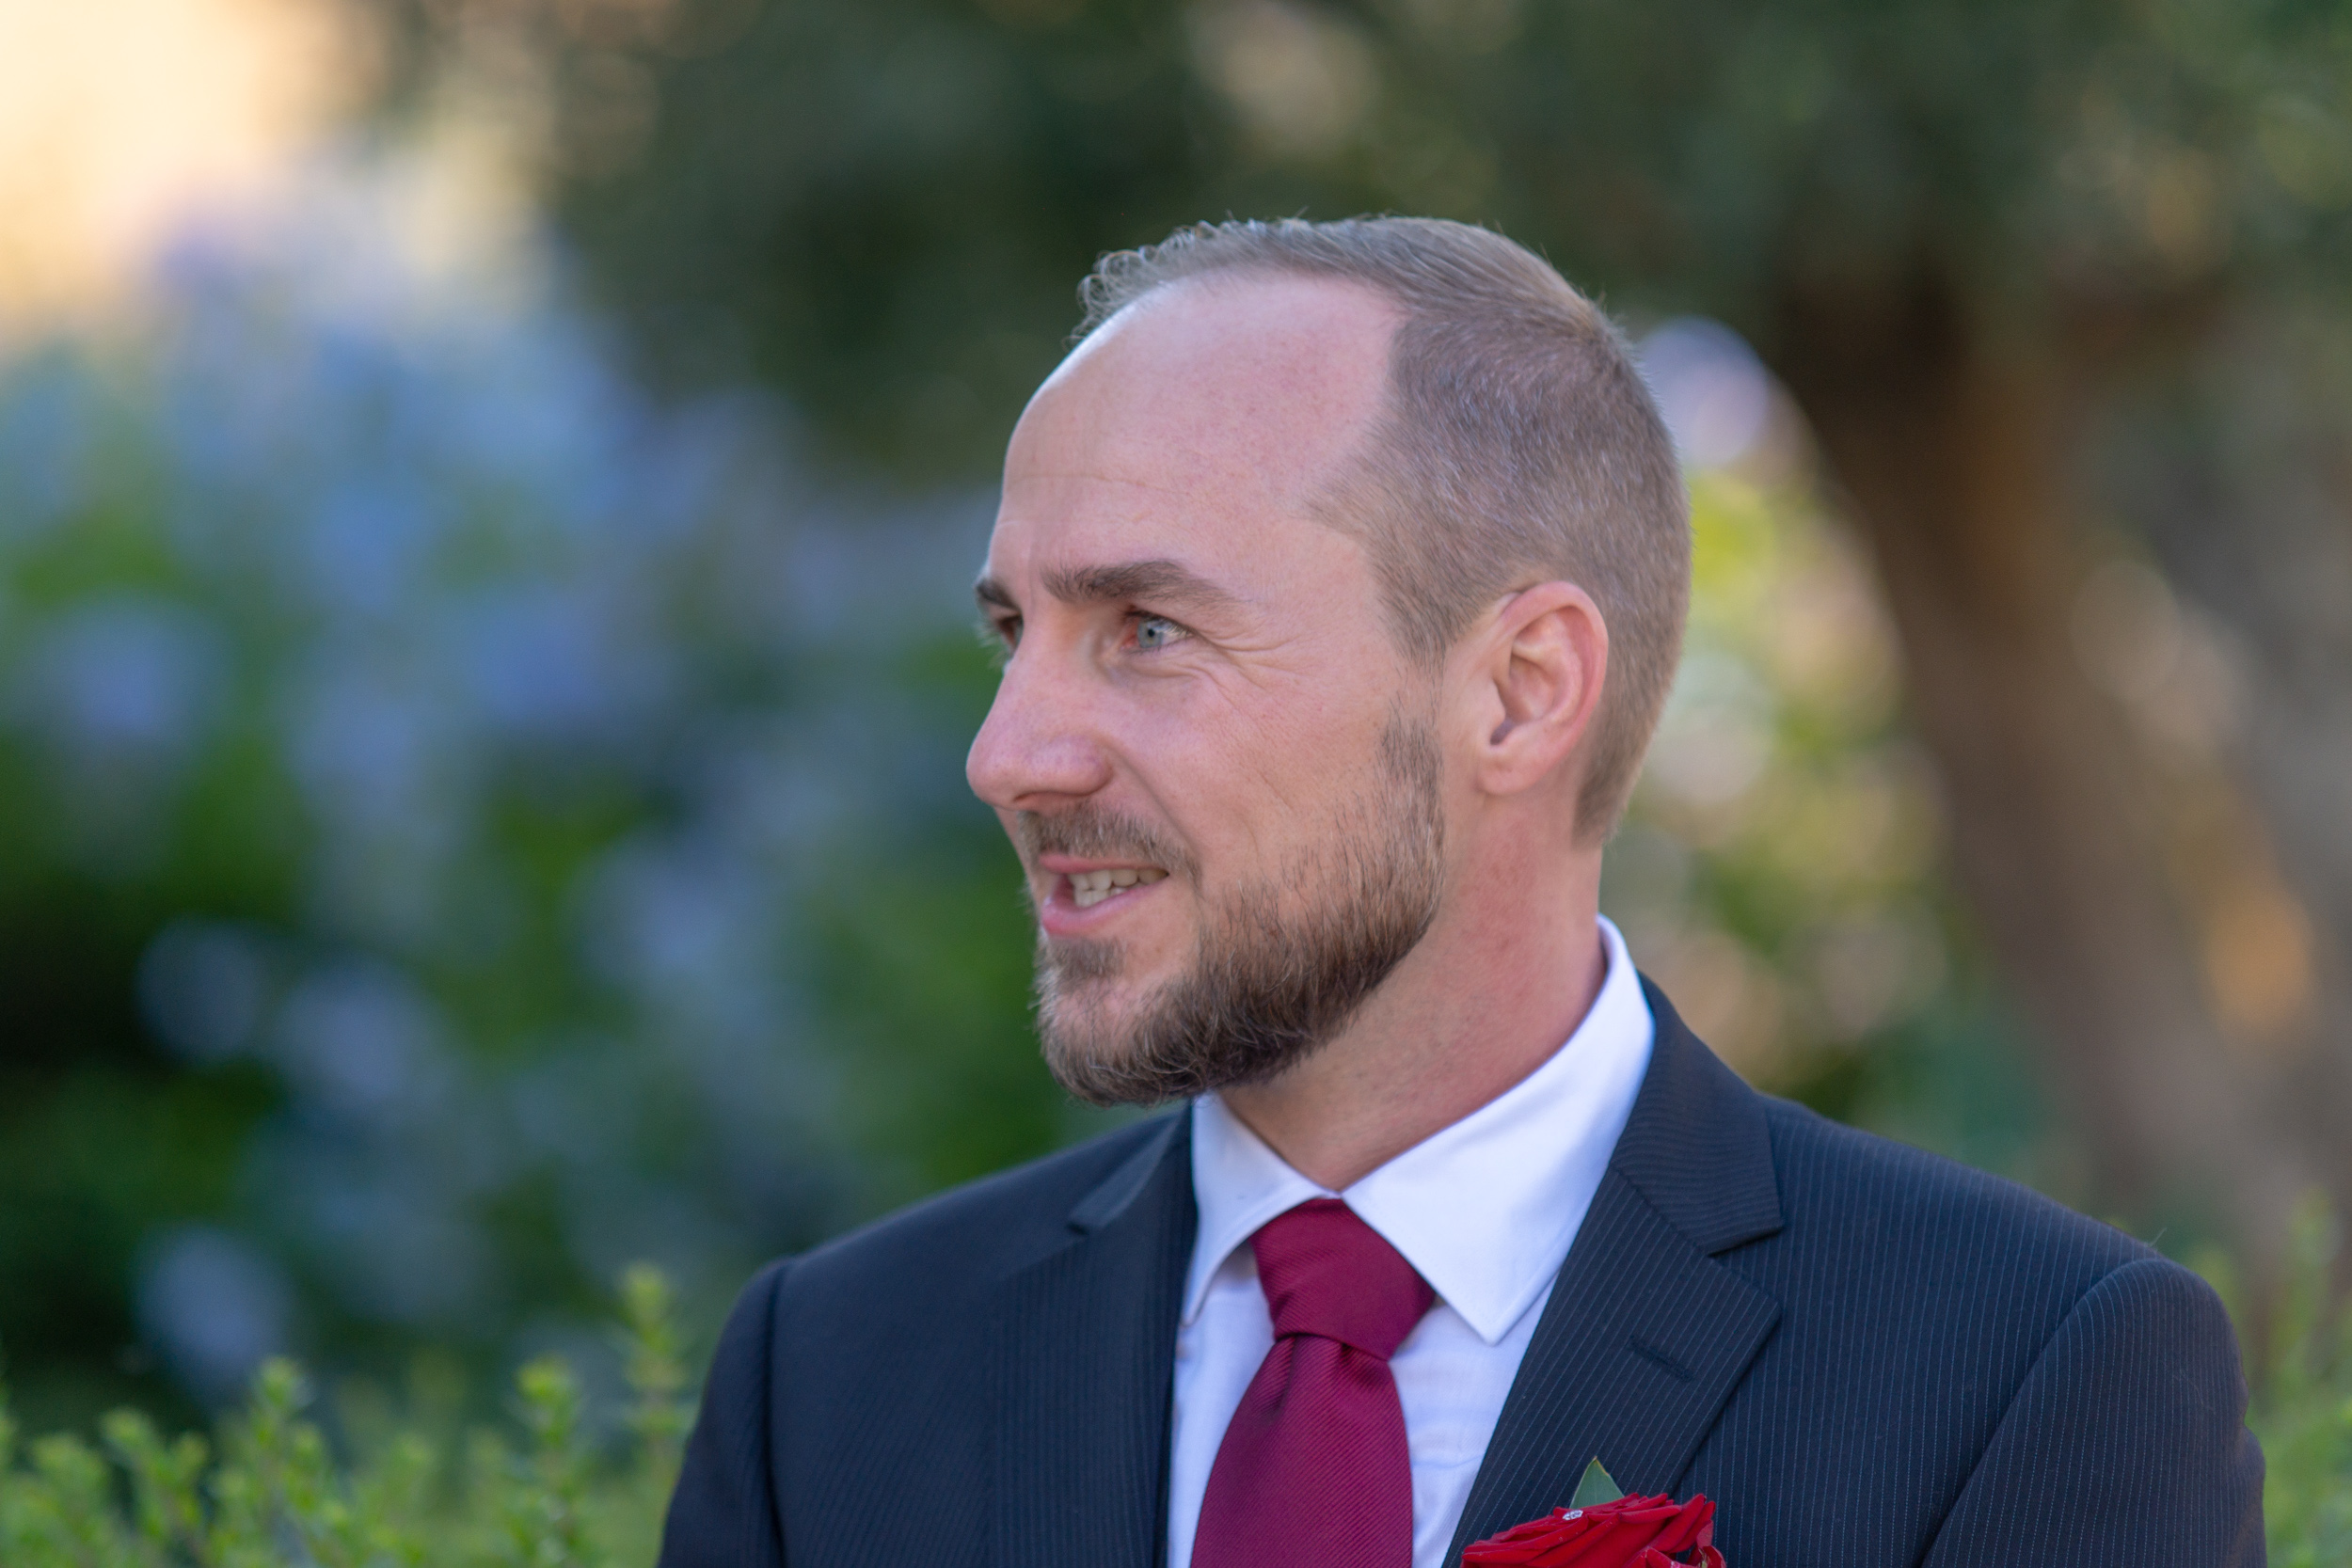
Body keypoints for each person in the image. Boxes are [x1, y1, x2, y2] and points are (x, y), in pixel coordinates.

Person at [657, 217, 2264, 1568]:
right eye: (1016, 634)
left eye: (1147, 628)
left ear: (1519, 692)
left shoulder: (2026, 1379)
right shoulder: (830, 1385)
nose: (1008, 756)